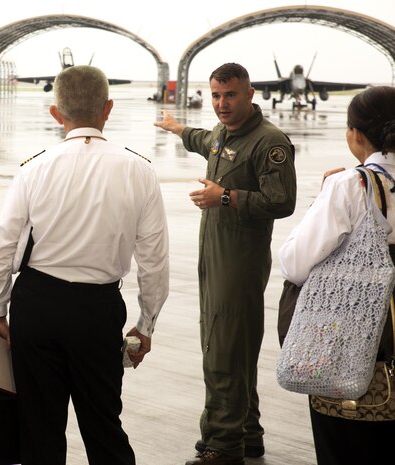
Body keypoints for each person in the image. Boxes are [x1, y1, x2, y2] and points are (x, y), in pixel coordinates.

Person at [0, 65, 169, 465]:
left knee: (39, 428)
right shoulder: (139, 169)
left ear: (56, 112)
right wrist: (146, 323)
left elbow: (4, 246)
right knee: (104, 425)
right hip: (97, 311)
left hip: (37, 305)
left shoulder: (34, 167)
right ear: (109, 108)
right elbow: (153, 259)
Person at [154, 62, 296, 465]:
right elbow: (206, 140)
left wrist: (227, 197)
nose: (221, 103)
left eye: (230, 95)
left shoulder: (269, 142)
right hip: (215, 256)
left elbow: (281, 202)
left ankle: (221, 444)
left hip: (240, 262)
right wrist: (178, 129)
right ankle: (247, 433)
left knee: (223, 351)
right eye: (216, 95)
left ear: (250, 94)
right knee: (234, 348)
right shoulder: (223, 134)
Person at [279, 85, 395, 465]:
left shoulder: (350, 185)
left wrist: (321, 198)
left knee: (346, 446)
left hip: (356, 354)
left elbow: (295, 263)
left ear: (356, 134)